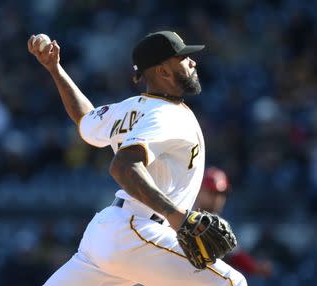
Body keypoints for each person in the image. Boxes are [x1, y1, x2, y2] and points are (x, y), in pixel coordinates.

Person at [27, 30, 247, 286]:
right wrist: (178, 216)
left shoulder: (129, 108)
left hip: (107, 233)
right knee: (231, 283)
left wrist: (55, 69)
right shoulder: (165, 115)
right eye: (184, 58)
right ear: (163, 72)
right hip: (137, 230)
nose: (193, 62)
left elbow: (85, 118)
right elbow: (123, 166)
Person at [195, 167, 273, 279]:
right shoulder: (183, 213)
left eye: (221, 194)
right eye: (212, 192)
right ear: (199, 190)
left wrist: (255, 267)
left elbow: (234, 254)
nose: (217, 198)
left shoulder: (218, 224)